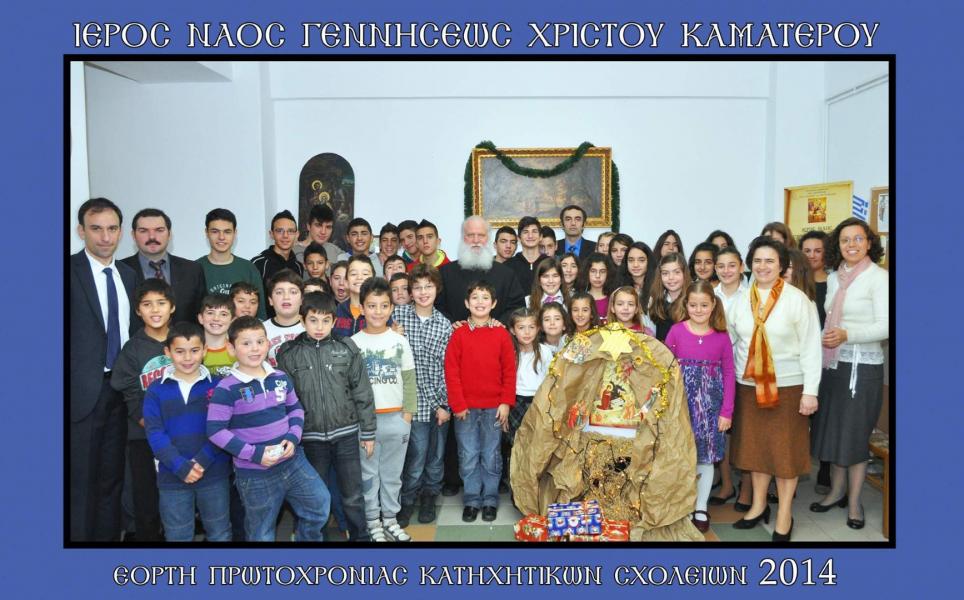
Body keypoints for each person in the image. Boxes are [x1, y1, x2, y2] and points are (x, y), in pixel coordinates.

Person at [728, 237, 821, 542]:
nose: (763, 266)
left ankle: (784, 514)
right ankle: (757, 507)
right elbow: (729, 341)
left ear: (782, 265)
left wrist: (811, 391)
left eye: (770, 260)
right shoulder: (741, 300)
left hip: (788, 388)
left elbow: (812, 348)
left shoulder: (798, 300)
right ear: (750, 265)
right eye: (757, 260)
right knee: (755, 451)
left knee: (785, 455)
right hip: (748, 387)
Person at [207, 316, 331, 542]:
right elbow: (215, 431)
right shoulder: (226, 388)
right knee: (261, 531)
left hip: (293, 461)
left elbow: (295, 409)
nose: (255, 349)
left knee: (320, 504)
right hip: (255, 473)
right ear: (231, 349)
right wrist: (254, 454)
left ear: (267, 343)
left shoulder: (280, 377)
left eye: (259, 341)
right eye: (246, 343)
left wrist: (293, 437)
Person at [276, 291, 376, 542]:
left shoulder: (347, 347)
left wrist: (368, 432)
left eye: (325, 321)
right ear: (302, 320)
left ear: (334, 321)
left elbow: (362, 391)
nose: (319, 327)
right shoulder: (288, 353)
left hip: (346, 434)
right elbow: (285, 400)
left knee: (353, 495)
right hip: (309, 438)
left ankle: (360, 537)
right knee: (315, 497)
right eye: (313, 320)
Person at [809, 218, 888, 530]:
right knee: (834, 432)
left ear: (869, 243)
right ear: (837, 245)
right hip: (833, 366)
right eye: (845, 240)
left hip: (862, 369)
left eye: (858, 239)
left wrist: (847, 335)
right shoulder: (834, 277)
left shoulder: (878, 278)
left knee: (854, 436)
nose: (851, 245)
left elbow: (886, 325)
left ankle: (855, 502)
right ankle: (836, 492)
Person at [70, 198, 138, 541]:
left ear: (121, 232)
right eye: (96, 228)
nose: (105, 237)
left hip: (121, 392)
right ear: (81, 231)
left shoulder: (128, 275)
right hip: (82, 395)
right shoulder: (66, 272)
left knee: (113, 478)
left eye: (112, 229)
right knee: (82, 481)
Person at [143, 322, 232, 542]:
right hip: (172, 474)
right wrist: (180, 466)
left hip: (214, 473)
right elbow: (155, 433)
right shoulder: (156, 390)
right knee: (177, 534)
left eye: (194, 350)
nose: (187, 358)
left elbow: (223, 428)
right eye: (180, 351)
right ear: (168, 352)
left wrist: (202, 461)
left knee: (219, 532)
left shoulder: (219, 386)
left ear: (204, 350)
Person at [664, 281, 735, 533]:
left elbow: (729, 374)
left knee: (705, 458)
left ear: (713, 305)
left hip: (710, 410)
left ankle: (701, 506)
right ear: (686, 305)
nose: (698, 310)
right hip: (681, 407)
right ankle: (681, 505)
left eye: (704, 305)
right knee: (681, 456)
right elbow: (665, 368)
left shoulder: (722, 337)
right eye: (693, 305)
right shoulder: (676, 332)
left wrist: (726, 411)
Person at [110, 278, 177, 541]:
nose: (155, 309)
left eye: (161, 303)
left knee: (177, 494)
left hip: (180, 433)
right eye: (147, 304)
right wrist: (143, 419)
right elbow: (124, 386)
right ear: (138, 310)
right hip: (144, 436)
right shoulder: (133, 348)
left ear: (172, 307)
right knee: (146, 496)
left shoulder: (183, 340)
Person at [351, 278, 417, 542]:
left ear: (391, 308)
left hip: (396, 419)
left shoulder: (399, 341)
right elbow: (350, 387)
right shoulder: (353, 343)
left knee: (392, 474)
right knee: (368, 475)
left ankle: (390, 519)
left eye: (383, 306)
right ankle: (372, 522)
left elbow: (409, 379)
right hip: (366, 423)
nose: (378, 311)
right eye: (371, 305)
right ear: (362, 308)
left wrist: (407, 415)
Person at [444, 281, 516, 522]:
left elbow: (509, 371)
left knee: (491, 454)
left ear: (493, 304)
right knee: (468, 454)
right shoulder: (459, 334)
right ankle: (472, 499)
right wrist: (458, 404)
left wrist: (505, 402)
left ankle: (490, 500)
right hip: (465, 408)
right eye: (475, 297)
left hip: (495, 407)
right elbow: (451, 372)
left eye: (485, 298)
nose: (480, 302)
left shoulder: (501, 334)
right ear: (467, 303)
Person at [393, 265, 454, 526]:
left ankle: (430, 496)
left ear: (437, 289)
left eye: (428, 286)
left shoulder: (444, 325)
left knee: (436, 456)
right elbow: (399, 362)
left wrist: (445, 404)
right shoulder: (398, 316)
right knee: (416, 456)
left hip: (439, 400)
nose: (423, 292)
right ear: (410, 292)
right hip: (411, 402)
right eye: (417, 287)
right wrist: (392, 336)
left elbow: (448, 369)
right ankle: (407, 500)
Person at [122, 208, 207, 324]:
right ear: (133, 235)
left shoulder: (193, 270)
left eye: (159, 230)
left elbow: (202, 316)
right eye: (143, 231)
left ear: (169, 234)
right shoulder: (120, 271)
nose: (152, 237)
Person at [436, 216, 526, 325]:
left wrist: (500, 322)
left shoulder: (506, 274)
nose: (476, 240)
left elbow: (517, 307)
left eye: (481, 235)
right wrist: (450, 323)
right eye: (470, 235)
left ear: (488, 238)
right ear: (463, 238)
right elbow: (436, 307)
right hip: (455, 334)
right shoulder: (445, 273)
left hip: (496, 334)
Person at [504, 308, 553, 488]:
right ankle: (516, 488)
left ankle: (533, 487)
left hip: (537, 403)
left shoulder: (545, 352)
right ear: (512, 330)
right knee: (516, 445)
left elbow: (550, 381)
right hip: (515, 403)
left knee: (535, 445)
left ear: (538, 328)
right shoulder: (509, 352)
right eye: (521, 327)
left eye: (531, 327)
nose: (527, 332)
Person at [197, 208, 266, 320]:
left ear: (235, 233)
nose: (221, 237)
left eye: (227, 232)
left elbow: (261, 313)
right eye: (215, 231)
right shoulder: (195, 269)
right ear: (206, 233)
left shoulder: (248, 268)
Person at [251, 210, 305, 316]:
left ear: (297, 234)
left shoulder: (298, 266)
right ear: (271, 234)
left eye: (290, 231)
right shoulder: (258, 263)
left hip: (292, 322)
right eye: (280, 231)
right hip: (265, 324)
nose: (285, 236)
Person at [262, 269, 305, 367]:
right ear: (270, 300)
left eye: (293, 292)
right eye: (279, 292)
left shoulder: (313, 327)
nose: (286, 297)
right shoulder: (261, 330)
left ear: (302, 299)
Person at [648, 252, 690, 341]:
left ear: (684, 273)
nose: (671, 277)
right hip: (661, 348)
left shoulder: (692, 301)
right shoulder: (655, 300)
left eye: (676, 272)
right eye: (665, 273)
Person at [333, 255, 378, 337]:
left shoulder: (380, 312)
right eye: (353, 274)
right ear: (346, 281)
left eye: (365, 274)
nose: (359, 277)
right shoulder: (337, 311)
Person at [505, 216, 547, 293]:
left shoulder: (550, 263)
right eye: (526, 232)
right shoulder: (508, 266)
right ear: (519, 238)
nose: (530, 236)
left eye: (534, 231)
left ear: (541, 237)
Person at [197, 294, 235, 380]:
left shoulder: (239, 350)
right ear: (201, 318)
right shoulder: (192, 352)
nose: (216, 318)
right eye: (210, 313)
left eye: (223, 314)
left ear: (232, 320)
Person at [294, 203, 342, 270]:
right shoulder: (293, 251)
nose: (323, 232)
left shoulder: (335, 251)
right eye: (318, 225)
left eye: (328, 227)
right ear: (308, 226)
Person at [800, 231, 830, 328]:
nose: (812, 256)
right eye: (807, 251)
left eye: (818, 251)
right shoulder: (793, 282)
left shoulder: (834, 283)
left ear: (826, 253)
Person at [576, 252, 617, 319]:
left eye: (602, 271)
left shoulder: (614, 300)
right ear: (587, 272)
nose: (598, 276)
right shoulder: (579, 299)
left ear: (608, 273)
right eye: (593, 271)